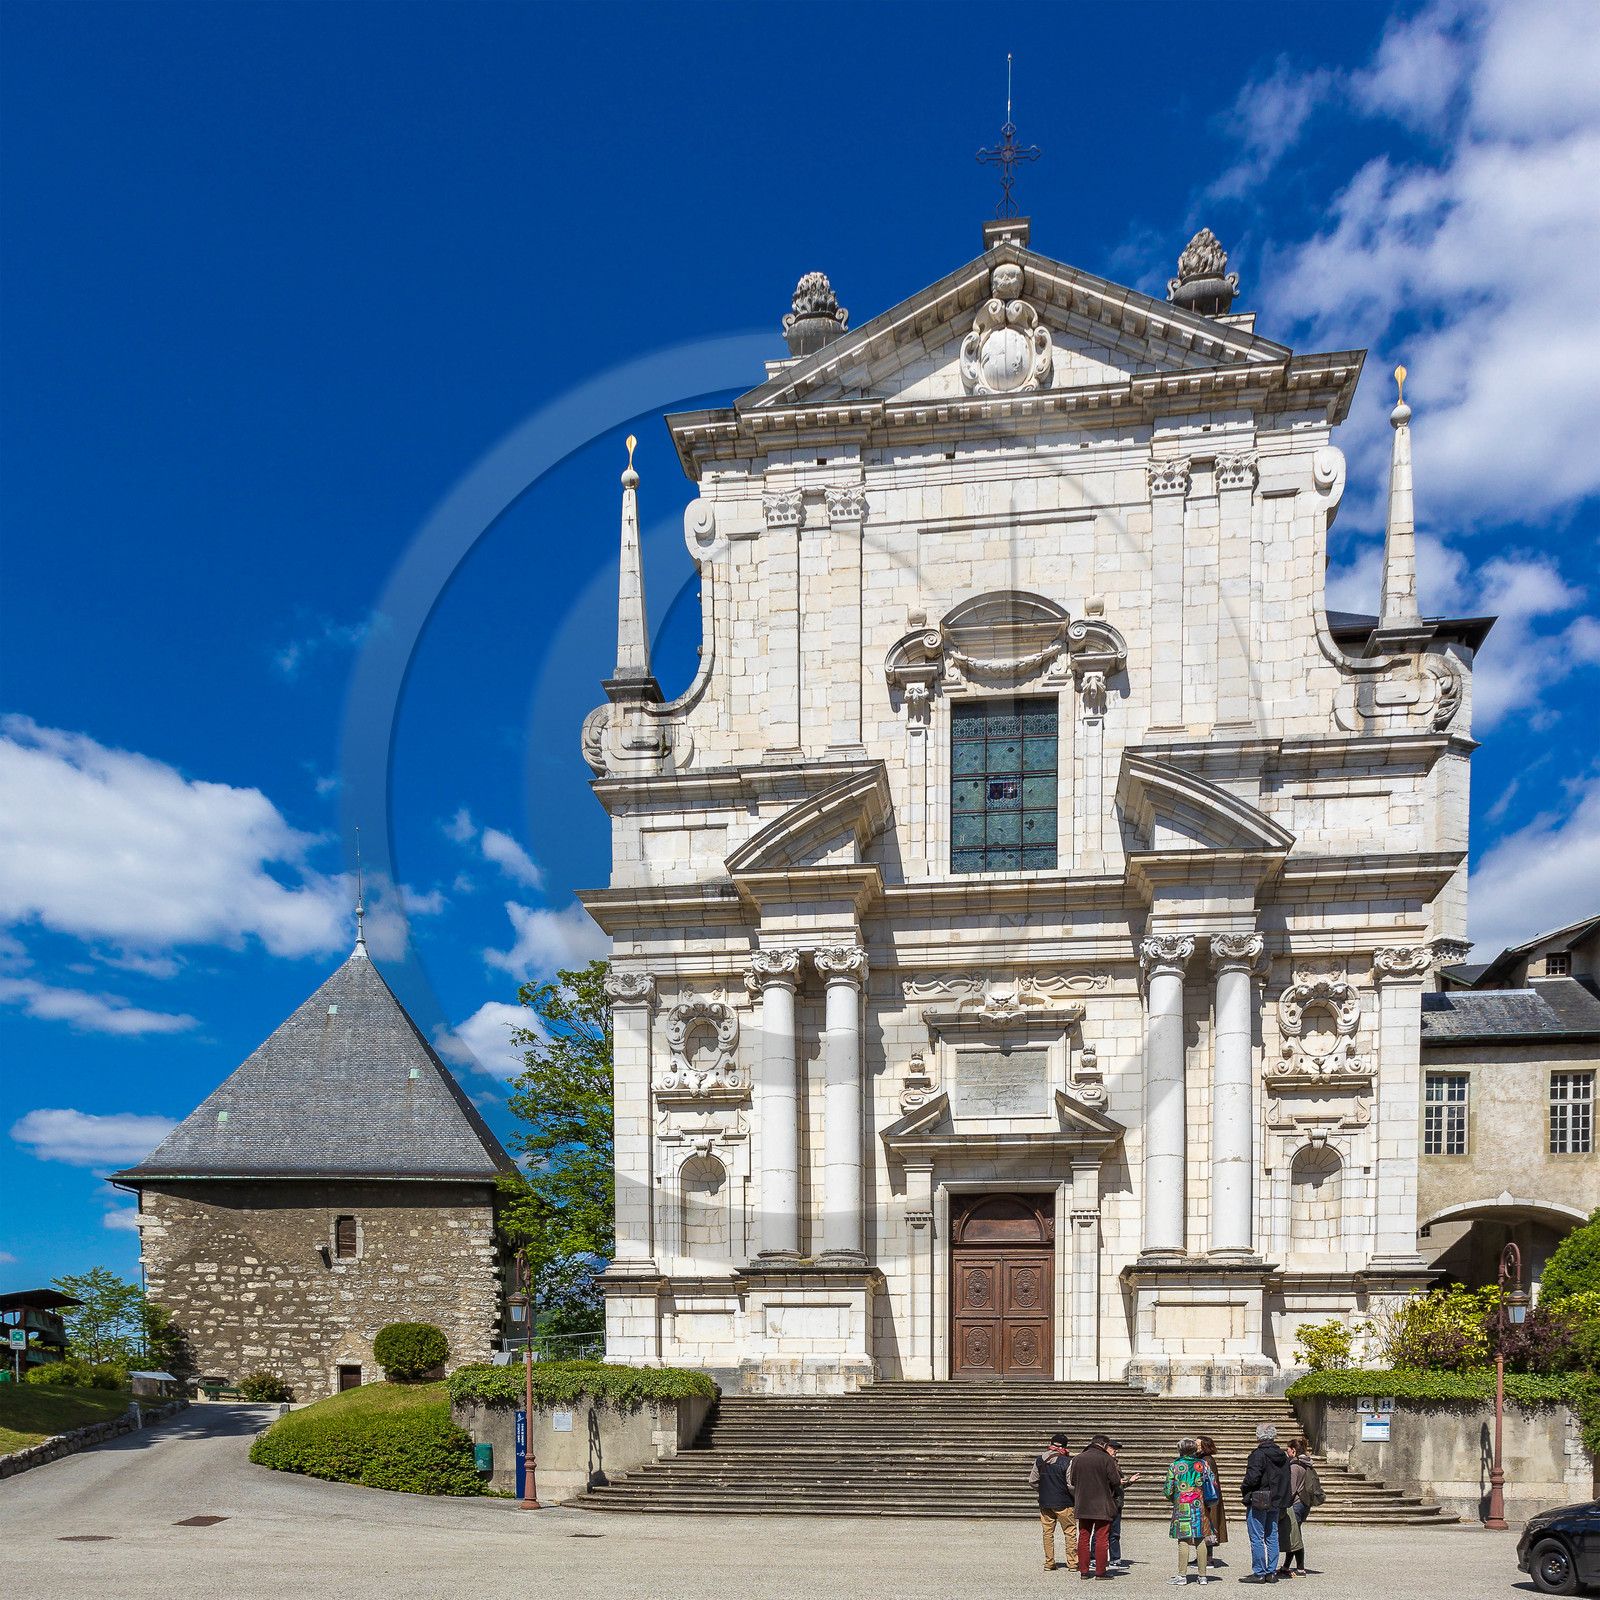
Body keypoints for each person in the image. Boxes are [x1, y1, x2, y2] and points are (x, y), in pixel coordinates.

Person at [1238, 1423, 1293, 1584]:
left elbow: (1252, 1478)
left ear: (1258, 1436)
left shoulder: (1258, 1454)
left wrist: (1244, 1488)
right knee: (1272, 1535)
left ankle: (1260, 1572)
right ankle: (1271, 1571)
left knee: (1257, 1536)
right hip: (1276, 1498)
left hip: (1260, 1497)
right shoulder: (1282, 1455)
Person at [1068, 1433, 1122, 1580]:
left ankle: (1084, 1571)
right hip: (1102, 1504)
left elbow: (1072, 1480)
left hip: (1083, 1503)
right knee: (1102, 1538)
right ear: (1104, 1445)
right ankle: (1100, 1571)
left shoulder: (1078, 1458)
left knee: (1083, 1537)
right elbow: (1115, 1481)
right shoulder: (1106, 1459)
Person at [1165, 1437, 1212, 1585]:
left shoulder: (1175, 1466)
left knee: (1183, 1540)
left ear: (1180, 1449)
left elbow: (1168, 1489)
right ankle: (1202, 1576)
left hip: (1182, 1505)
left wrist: (1174, 1499)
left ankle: (1182, 1575)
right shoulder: (1203, 1464)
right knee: (1200, 1539)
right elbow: (1213, 1483)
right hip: (1199, 1505)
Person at [1031, 1432, 1077, 1572]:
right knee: (1069, 1532)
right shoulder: (1067, 1461)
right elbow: (1071, 1485)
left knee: (1047, 1533)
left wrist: (1043, 1490)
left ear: (1050, 1444)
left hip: (1045, 1502)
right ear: (1066, 1446)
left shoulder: (1040, 1459)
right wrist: (1075, 1496)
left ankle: (1049, 1562)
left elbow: (1032, 1481)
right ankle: (1072, 1563)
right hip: (1064, 1502)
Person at [1277, 1439, 1317, 1578]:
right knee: (1293, 1535)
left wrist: (1282, 1502)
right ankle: (1286, 1566)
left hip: (1296, 1504)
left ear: (1294, 1450)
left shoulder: (1294, 1466)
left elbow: (1291, 1489)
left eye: (1288, 1449)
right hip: (1304, 1503)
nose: (1286, 1451)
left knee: (1295, 1536)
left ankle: (1300, 1568)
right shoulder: (1307, 1464)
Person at [1106, 1439, 1142, 1568]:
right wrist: (1116, 1483)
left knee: (1114, 1533)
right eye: (1113, 1448)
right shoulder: (1104, 1463)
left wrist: (1129, 1481)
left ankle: (1115, 1558)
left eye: (1116, 1449)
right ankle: (1095, 1558)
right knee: (1103, 1532)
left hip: (1116, 1502)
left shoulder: (1115, 1464)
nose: (1115, 1451)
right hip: (1108, 1502)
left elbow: (1119, 1485)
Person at [1198, 1434, 1228, 1569]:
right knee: (1205, 1526)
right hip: (1209, 1498)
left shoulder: (1207, 1460)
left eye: (1197, 1444)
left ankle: (1208, 1559)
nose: (1195, 1446)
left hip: (1209, 1498)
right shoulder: (1204, 1459)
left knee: (1209, 1525)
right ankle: (1203, 1556)